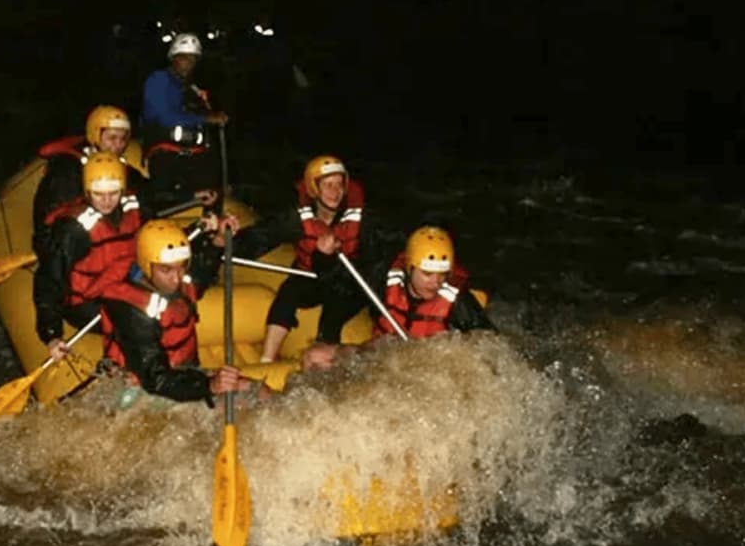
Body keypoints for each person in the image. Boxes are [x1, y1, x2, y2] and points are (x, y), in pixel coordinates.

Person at [231, 154, 372, 362]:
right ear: (314, 189)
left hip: (347, 284)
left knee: (336, 304)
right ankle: (267, 360)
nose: (336, 192)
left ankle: (326, 359)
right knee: (289, 291)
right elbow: (261, 236)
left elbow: (383, 247)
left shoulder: (362, 218)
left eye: (340, 185)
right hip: (312, 278)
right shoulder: (297, 218)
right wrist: (226, 246)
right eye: (328, 185)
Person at [98, 219, 249, 405]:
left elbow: (202, 275)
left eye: (181, 266)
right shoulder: (131, 310)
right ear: (147, 265)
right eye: (166, 270)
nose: (176, 278)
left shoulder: (176, 280)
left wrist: (218, 241)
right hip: (141, 390)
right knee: (240, 398)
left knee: (258, 392)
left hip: (179, 377)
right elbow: (156, 380)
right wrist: (210, 386)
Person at [302, 225, 494, 371]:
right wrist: (323, 257)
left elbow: (490, 342)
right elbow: (337, 285)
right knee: (314, 356)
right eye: (427, 273)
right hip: (375, 356)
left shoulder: (457, 299)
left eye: (442, 274)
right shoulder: (382, 278)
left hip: (420, 370)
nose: (436, 282)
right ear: (410, 267)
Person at [33, 152, 144, 361]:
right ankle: (120, 368)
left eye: (113, 193)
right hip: (86, 302)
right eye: (98, 194)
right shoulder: (73, 229)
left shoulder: (132, 207)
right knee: (138, 317)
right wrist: (51, 335)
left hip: (123, 285)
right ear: (87, 191)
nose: (107, 201)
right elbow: (50, 279)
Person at [31, 105, 143, 253]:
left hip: (111, 249)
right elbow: (51, 226)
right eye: (111, 138)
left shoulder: (123, 168)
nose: (118, 145)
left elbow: (145, 197)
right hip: (77, 253)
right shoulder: (68, 170)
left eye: (123, 139)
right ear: (95, 135)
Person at [140, 32, 229, 213]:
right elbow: (165, 117)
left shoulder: (192, 89)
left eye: (193, 59)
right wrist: (206, 118)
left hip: (195, 155)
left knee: (213, 194)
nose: (189, 64)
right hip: (165, 152)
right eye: (184, 58)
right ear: (173, 58)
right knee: (162, 197)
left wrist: (211, 113)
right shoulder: (158, 80)